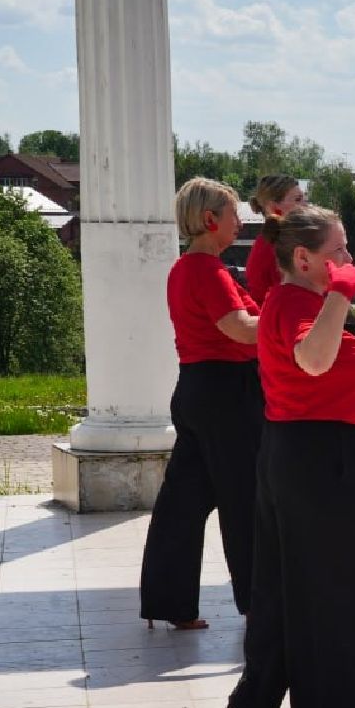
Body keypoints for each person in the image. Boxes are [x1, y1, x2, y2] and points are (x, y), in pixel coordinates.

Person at [225, 205, 355, 708]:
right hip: (319, 455)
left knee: (290, 585)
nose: (349, 260)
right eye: (338, 251)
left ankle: (260, 699)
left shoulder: (301, 300)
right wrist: (341, 295)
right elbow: (314, 359)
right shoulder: (294, 303)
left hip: (311, 452)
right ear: (303, 259)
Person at [139, 178, 263, 631]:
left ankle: (170, 601)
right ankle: (259, 603)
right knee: (243, 498)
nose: (240, 222)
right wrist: (295, 317)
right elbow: (240, 328)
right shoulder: (208, 272)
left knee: (184, 502)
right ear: (211, 220)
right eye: (233, 214)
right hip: (225, 393)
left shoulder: (189, 268)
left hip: (198, 389)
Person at [244, 175, 306, 306]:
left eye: (304, 198)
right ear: (274, 208)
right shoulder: (274, 247)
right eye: (298, 199)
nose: (305, 204)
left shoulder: (276, 242)